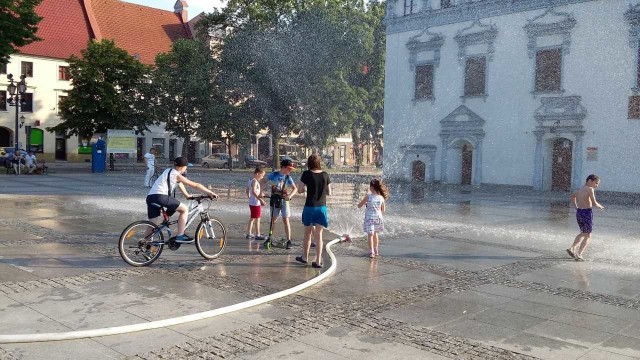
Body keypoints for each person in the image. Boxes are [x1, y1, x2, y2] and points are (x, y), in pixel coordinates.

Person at [146, 157, 218, 243]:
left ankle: (145, 244)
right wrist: (210, 192)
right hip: (160, 197)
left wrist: (187, 195)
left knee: (152, 224)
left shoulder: (168, 171)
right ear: (182, 167)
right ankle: (180, 235)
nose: (186, 169)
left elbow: (179, 183)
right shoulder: (177, 175)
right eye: (186, 167)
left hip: (150, 197)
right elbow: (195, 185)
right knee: (184, 209)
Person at [295, 154, 331, 268]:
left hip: (309, 207)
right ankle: (318, 261)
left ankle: (305, 257)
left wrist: (306, 188)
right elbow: (329, 192)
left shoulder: (306, 174)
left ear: (309, 164)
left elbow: (300, 190)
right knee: (319, 235)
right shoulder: (325, 175)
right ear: (319, 163)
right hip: (321, 208)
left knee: (307, 233)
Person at [566, 174, 604, 261]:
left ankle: (573, 249)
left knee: (584, 232)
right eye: (596, 183)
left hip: (579, 212)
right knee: (588, 235)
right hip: (586, 213)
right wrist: (600, 206)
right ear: (589, 181)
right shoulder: (590, 189)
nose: (597, 185)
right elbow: (594, 202)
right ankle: (578, 253)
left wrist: (576, 207)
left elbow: (573, 196)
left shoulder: (579, 190)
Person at [262, 158, 298, 249]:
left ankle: (289, 240)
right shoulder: (274, 175)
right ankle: (269, 238)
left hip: (284, 201)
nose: (290, 171)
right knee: (273, 220)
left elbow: (295, 188)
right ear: (284, 167)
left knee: (286, 220)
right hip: (274, 200)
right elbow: (263, 181)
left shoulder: (288, 177)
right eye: (289, 169)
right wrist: (261, 192)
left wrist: (290, 196)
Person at [357, 178, 389, 258]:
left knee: (370, 235)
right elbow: (383, 210)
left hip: (369, 218)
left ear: (371, 187)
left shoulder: (368, 197)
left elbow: (359, 205)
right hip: (378, 218)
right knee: (375, 234)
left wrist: (367, 205)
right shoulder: (381, 198)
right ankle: (376, 250)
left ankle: (371, 252)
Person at [246, 167, 266, 240]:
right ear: (257, 174)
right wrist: (260, 200)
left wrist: (250, 198)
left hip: (252, 202)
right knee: (257, 218)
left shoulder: (250, 180)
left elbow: (247, 191)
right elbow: (254, 191)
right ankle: (258, 235)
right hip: (255, 203)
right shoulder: (255, 181)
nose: (262, 177)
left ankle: (249, 233)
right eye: (262, 175)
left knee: (252, 218)